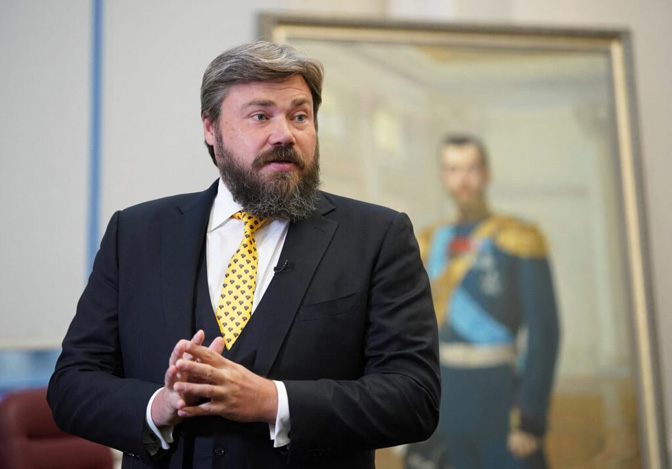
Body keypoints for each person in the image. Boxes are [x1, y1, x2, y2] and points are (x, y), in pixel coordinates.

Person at [47, 41, 440, 468]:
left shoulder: (378, 237)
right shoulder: (136, 234)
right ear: (210, 128)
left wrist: (273, 401)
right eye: (260, 116)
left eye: (300, 116)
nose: (285, 134)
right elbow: (72, 386)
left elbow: (414, 399)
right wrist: (159, 406)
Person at [405, 135, 560, 469]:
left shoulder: (519, 237)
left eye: (471, 169)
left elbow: (544, 331)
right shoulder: (429, 242)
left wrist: (530, 416)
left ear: (486, 174)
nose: (462, 180)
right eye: (453, 170)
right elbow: (409, 333)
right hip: (444, 401)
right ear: (443, 176)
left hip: (500, 398)